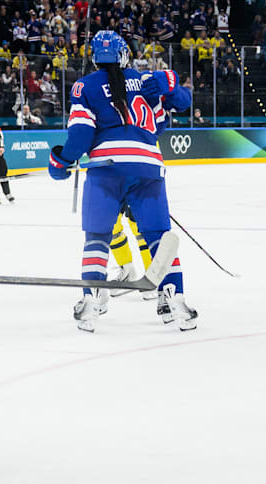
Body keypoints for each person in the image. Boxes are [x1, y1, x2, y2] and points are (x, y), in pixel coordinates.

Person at [49, 30, 196, 332]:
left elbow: (81, 135)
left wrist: (61, 161)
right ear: (125, 55)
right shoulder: (146, 80)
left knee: (97, 237)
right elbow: (181, 103)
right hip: (148, 168)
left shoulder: (84, 86)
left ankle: (91, 301)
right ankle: (175, 299)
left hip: (106, 169)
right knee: (158, 237)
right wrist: (170, 83)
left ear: (95, 58)